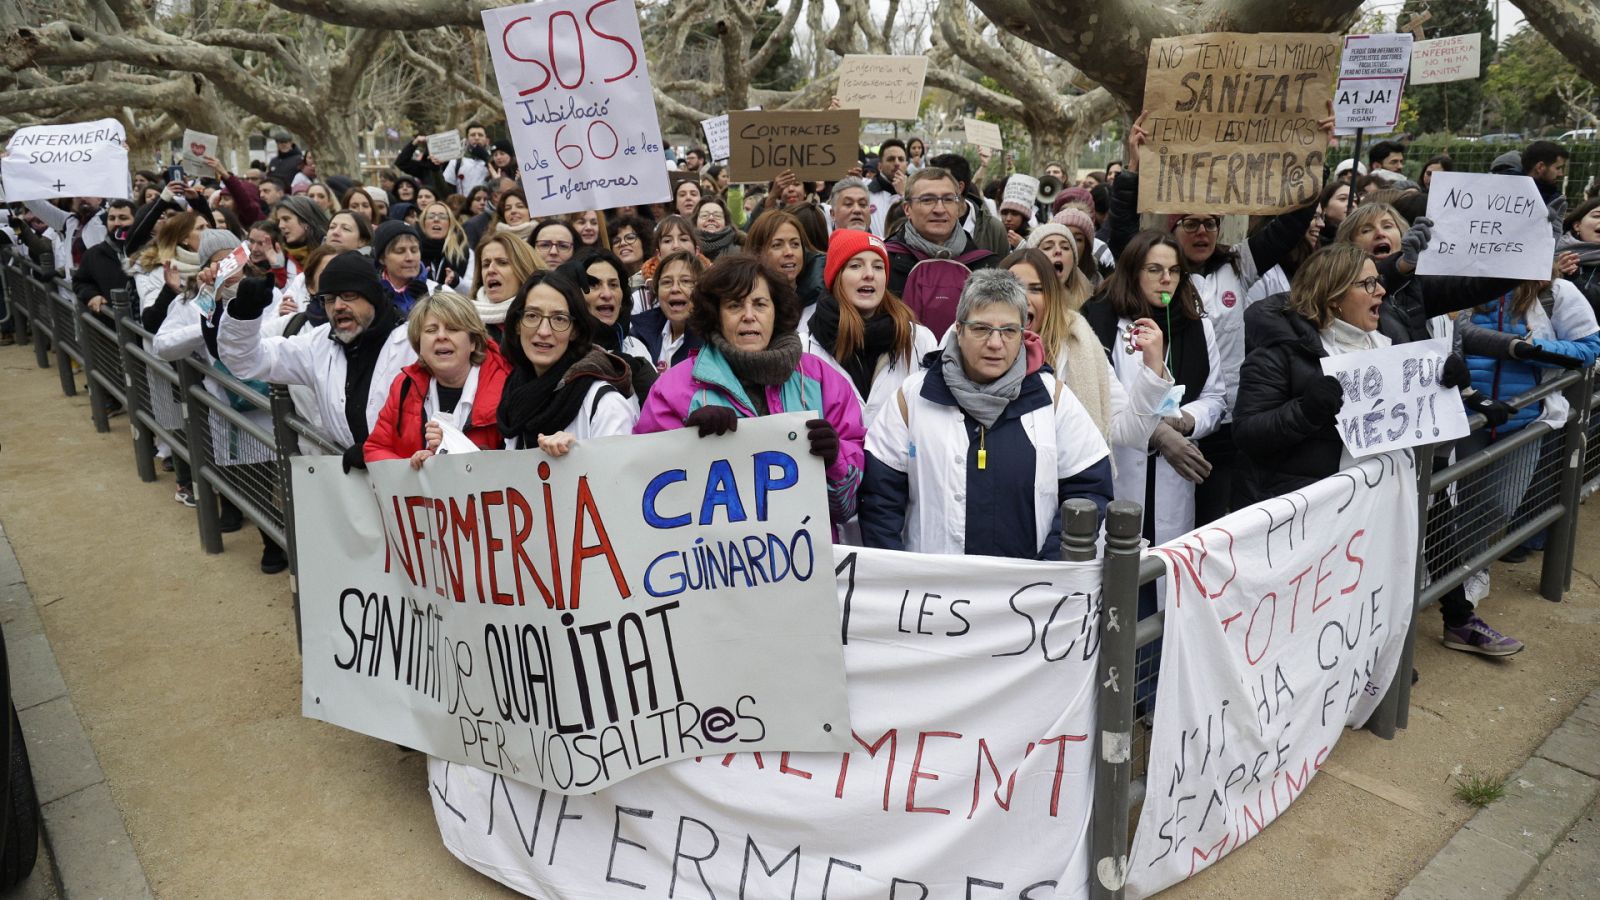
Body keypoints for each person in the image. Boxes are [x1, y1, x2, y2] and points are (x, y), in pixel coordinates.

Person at [859, 268, 1113, 557]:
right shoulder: (913, 398)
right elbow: (879, 499)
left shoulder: (1052, 399)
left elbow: (1088, 490)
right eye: (981, 329)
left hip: (1028, 593)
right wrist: (900, 577)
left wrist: (1051, 568)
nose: (995, 343)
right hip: (934, 592)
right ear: (959, 328)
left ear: (1023, 333)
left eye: (1008, 331)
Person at [634, 254, 866, 526]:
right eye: (734, 306)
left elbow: (846, 508)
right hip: (716, 559)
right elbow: (647, 489)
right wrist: (687, 446)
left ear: (775, 312)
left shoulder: (822, 380)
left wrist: (834, 459)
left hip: (803, 559)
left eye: (760, 304)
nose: (748, 316)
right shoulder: (673, 389)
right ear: (716, 315)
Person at [151, 229, 288, 573]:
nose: (229, 268)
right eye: (218, 262)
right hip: (231, 408)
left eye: (234, 258)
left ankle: (295, 541)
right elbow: (162, 346)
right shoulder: (190, 304)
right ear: (206, 268)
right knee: (251, 478)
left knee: (288, 477)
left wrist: (249, 318)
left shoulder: (265, 291)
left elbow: (279, 333)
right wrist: (210, 321)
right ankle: (271, 544)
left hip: (275, 399)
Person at [1083, 231, 1226, 546]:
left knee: (1164, 575)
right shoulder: (1099, 319)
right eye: (1154, 270)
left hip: (1173, 476)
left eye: (1174, 271)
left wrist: (1185, 420)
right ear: (1133, 272)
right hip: (1119, 467)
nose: (1167, 279)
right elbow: (1098, 400)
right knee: (1117, 571)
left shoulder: (1197, 325)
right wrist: (1156, 432)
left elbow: (1215, 400)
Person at [218, 250, 417, 473]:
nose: (338, 306)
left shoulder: (414, 342)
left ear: (372, 296)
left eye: (349, 295)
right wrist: (245, 313)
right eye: (329, 299)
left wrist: (382, 450)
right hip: (347, 481)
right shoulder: (319, 343)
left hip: (407, 479)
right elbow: (246, 360)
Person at [1003, 245, 1170, 453]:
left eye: (1036, 289)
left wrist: (1153, 370)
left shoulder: (1083, 345)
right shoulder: (975, 348)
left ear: (1052, 297)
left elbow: (1130, 431)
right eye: (1014, 288)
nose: (1024, 298)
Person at [497, 269, 640, 453]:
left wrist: (578, 455)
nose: (544, 331)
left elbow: (619, 477)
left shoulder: (605, 405)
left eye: (559, 319)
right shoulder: (514, 392)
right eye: (532, 316)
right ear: (517, 324)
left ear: (575, 330)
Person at [802, 230, 935, 427]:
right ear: (836, 277)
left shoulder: (919, 340)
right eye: (856, 266)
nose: (869, 275)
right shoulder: (804, 349)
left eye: (878, 267)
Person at [365, 291, 511, 466]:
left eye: (453, 328)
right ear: (419, 344)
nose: (441, 336)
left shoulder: (506, 387)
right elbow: (375, 449)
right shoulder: (404, 385)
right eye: (431, 330)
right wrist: (415, 468)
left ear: (473, 342)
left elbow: (513, 462)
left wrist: (452, 451)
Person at [885, 167, 1000, 336]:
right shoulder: (883, 263)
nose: (939, 209)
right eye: (927, 200)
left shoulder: (987, 267)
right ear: (907, 209)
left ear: (959, 207)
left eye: (948, 199)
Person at [560, 250, 656, 398]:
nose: (607, 294)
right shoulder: (559, 349)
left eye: (613, 284)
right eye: (593, 285)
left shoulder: (636, 347)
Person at [630, 250, 704, 371]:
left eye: (686, 281)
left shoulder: (713, 342)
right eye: (666, 282)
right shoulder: (639, 333)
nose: (675, 289)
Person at [746, 210, 827, 320]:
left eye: (795, 244)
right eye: (777, 245)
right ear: (757, 252)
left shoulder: (821, 300)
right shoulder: (744, 301)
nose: (789, 252)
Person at [926, 153, 1010, 257]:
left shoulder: (993, 229)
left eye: (940, 183)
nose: (931, 189)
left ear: (959, 187)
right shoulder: (920, 221)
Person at [72, 199, 137, 323]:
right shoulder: (94, 254)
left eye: (123, 218)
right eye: (111, 218)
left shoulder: (148, 252)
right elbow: (80, 282)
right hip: (111, 327)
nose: (117, 223)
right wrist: (92, 295)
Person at [467, 232, 542, 332]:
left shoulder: (543, 320)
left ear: (523, 269)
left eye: (502, 263)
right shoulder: (464, 321)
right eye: (486, 264)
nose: (490, 270)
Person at [371, 220, 440, 319]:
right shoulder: (370, 293)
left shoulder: (440, 292)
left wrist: (429, 305)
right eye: (400, 251)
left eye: (414, 250)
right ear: (382, 259)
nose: (410, 257)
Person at [418, 202, 472, 294]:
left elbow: (473, 289)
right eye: (431, 217)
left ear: (450, 224)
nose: (436, 220)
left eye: (442, 217)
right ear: (423, 223)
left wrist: (457, 282)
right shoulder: (413, 252)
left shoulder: (464, 252)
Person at [1559, 199, 1600, 313]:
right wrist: (1556, 274)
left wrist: (1574, 279)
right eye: (1597, 216)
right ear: (1577, 226)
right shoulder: (1550, 254)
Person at [1523, 140, 1571, 232]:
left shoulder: (1556, 198)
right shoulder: (1552, 199)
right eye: (1558, 168)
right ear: (1540, 167)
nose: (1561, 174)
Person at [273, 195, 330, 266]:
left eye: (286, 219)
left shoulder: (329, 252)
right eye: (279, 221)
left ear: (306, 221)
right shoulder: (282, 255)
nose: (280, 226)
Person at [867, 140, 908, 236]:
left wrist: (904, 194)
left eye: (901, 159)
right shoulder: (866, 194)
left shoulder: (917, 193)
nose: (897, 163)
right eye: (891, 159)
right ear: (880, 166)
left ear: (906, 165)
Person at [442, 123, 492, 196]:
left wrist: (487, 159)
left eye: (480, 135)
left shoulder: (494, 160)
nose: (477, 138)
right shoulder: (456, 161)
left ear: (486, 139)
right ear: (467, 139)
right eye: (473, 135)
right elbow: (447, 187)